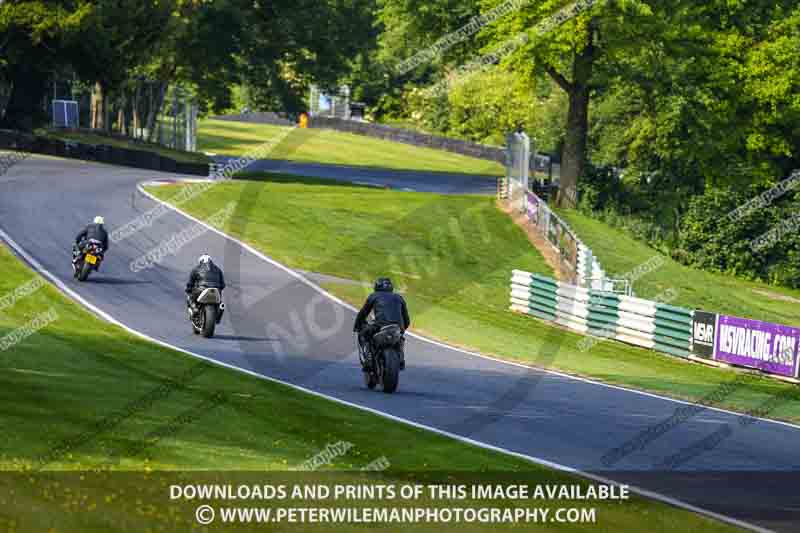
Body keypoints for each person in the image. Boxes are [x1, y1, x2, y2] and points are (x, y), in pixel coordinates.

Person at [353, 277, 410, 370]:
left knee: (363, 333)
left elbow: (363, 313)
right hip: (397, 327)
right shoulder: (399, 297)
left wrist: (357, 325)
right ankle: (401, 358)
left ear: (377, 287)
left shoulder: (374, 296)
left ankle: (369, 358)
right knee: (400, 339)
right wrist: (402, 329)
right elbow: (406, 319)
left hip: (379, 326)